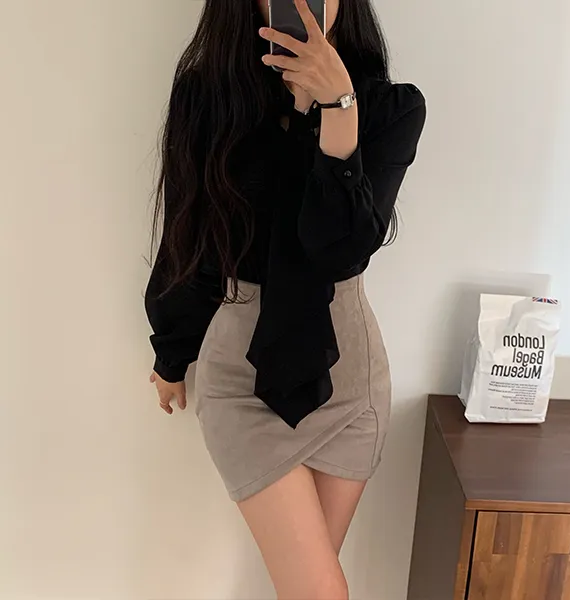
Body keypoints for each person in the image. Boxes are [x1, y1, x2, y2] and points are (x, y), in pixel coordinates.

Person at [144, 0, 425, 597]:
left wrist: (338, 107)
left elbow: (341, 249)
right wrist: (171, 353)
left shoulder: (389, 107)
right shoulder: (210, 99)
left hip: (349, 377)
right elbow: (188, 241)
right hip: (241, 374)